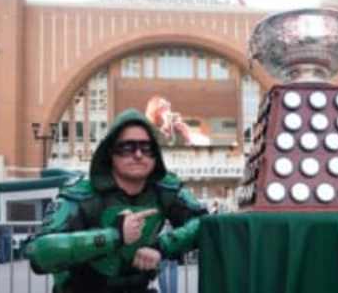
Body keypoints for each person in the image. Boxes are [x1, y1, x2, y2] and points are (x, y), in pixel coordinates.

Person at [25, 108, 208, 293]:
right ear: (110, 152)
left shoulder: (165, 188)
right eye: (127, 147)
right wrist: (114, 235)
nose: (138, 154)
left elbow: (205, 223)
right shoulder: (81, 193)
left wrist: (162, 246)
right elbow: (39, 252)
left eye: (146, 148)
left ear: (155, 155)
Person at [145, 95, 210, 146]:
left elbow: (192, 154)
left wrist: (187, 137)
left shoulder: (177, 130)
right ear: (153, 111)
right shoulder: (147, 129)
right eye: (162, 107)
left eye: (168, 106)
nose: (167, 110)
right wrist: (164, 131)